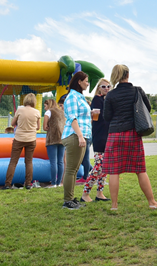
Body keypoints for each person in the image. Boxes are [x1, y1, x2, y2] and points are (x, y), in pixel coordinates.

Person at [103, 64, 157, 211]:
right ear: (128, 74)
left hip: (115, 134)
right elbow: (147, 109)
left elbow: (106, 117)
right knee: (140, 169)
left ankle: (114, 205)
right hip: (133, 133)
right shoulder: (137, 90)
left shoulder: (110, 94)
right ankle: (151, 202)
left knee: (114, 171)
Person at [61, 71, 93, 210]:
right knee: (71, 169)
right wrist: (80, 135)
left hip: (81, 135)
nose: (87, 83)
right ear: (79, 82)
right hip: (74, 135)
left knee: (73, 170)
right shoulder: (72, 97)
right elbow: (72, 118)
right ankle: (68, 201)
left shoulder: (79, 96)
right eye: (86, 81)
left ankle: (72, 199)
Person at [2, 93, 41, 190]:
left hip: (19, 138)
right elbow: (38, 127)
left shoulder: (20, 110)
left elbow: (12, 123)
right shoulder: (37, 112)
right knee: (29, 162)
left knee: (13, 161)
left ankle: (7, 184)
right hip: (31, 139)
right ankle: (28, 183)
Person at [81, 79, 111, 203]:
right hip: (100, 136)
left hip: (108, 136)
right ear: (99, 88)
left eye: (108, 86)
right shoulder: (97, 100)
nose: (106, 88)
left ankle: (100, 193)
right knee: (98, 166)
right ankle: (85, 193)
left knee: (105, 166)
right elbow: (99, 117)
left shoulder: (107, 100)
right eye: (103, 86)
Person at [43, 97, 65, 188]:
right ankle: (59, 182)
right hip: (62, 139)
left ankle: (53, 182)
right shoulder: (62, 112)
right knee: (60, 162)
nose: (45, 108)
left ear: (48, 105)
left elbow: (44, 127)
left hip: (52, 139)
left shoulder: (48, 112)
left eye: (45, 106)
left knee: (53, 162)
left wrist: (48, 127)